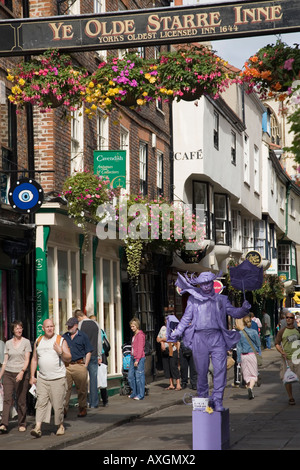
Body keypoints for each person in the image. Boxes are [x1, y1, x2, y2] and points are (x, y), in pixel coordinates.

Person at [169, 271, 251, 411]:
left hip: (217, 336)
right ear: (199, 284)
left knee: (220, 371)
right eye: (203, 283)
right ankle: (203, 400)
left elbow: (234, 313)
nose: (206, 286)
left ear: (213, 282)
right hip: (199, 338)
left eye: (208, 282)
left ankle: (218, 400)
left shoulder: (222, 300)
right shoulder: (193, 300)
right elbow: (186, 319)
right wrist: (176, 332)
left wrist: (243, 309)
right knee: (201, 372)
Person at [29, 318, 71, 438]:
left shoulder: (60, 340)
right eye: (47, 327)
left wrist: (61, 352)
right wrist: (32, 376)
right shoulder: (39, 340)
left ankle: (60, 426)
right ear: (43, 328)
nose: (49, 329)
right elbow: (34, 359)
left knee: (58, 405)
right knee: (41, 403)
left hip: (58, 378)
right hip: (42, 378)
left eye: (51, 326)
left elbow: (69, 358)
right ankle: (38, 428)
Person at [0, 321, 31, 434]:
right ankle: (4, 424)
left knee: (21, 400)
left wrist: (22, 372)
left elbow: (27, 359)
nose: (19, 330)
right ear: (13, 330)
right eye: (17, 328)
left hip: (21, 373)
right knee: (7, 398)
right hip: (8, 373)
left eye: (20, 328)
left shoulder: (26, 342)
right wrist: (0, 376)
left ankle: (22, 423)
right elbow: (5, 361)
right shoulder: (8, 343)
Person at [63, 317, 93, 417]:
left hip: (79, 365)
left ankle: (82, 408)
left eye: (71, 326)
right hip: (67, 366)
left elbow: (88, 351)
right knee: (66, 389)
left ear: (76, 326)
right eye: (68, 326)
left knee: (82, 389)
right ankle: (64, 410)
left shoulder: (83, 336)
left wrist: (85, 365)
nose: (69, 328)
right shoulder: (64, 336)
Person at [75, 310, 102, 409]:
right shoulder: (96, 324)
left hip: (83, 356)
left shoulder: (80, 325)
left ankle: (84, 402)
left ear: (78, 317)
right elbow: (99, 341)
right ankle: (94, 403)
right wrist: (99, 355)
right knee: (93, 380)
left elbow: (79, 340)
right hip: (94, 354)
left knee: (82, 380)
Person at [275, 312, 300, 405]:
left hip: (297, 358)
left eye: (290, 317)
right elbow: (277, 343)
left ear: (294, 319)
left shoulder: (298, 331)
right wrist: (281, 352)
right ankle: (291, 397)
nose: (288, 319)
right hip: (287, 359)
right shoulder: (282, 331)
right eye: (287, 317)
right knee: (287, 378)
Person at [236, 316, 261, 400]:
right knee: (254, 374)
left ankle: (249, 388)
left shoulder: (240, 333)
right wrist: (259, 354)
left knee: (246, 375)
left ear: (243, 323)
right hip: (252, 355)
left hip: (243, 356)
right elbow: (258, 344)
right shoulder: (254, 332)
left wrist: (238, 359)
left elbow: (238, 347)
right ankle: (250, 388)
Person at [156, 312, 181, 391]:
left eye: (168, 320)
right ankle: (171, 384)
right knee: (167, 367)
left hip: (172, 350)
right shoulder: (163, 328)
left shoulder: (174, 329)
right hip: (164, 351)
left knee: (173, 366)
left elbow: (171, 338)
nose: (166, 322)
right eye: (166, 320)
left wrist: (162, 340)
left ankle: (178, 384)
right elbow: (157, 339)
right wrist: (162, 342)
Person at [128, 317, 146, 400]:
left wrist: (137, 360)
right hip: (132, 357)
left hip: (139, 358)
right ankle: (134, 392)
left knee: (139, 377)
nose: (132, 328)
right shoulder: (134, 335)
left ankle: (140, 394)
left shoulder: (140, 335)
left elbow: (140, 348)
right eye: (131, 326)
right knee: (131, 376)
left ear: (137, 326)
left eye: (133, 326)